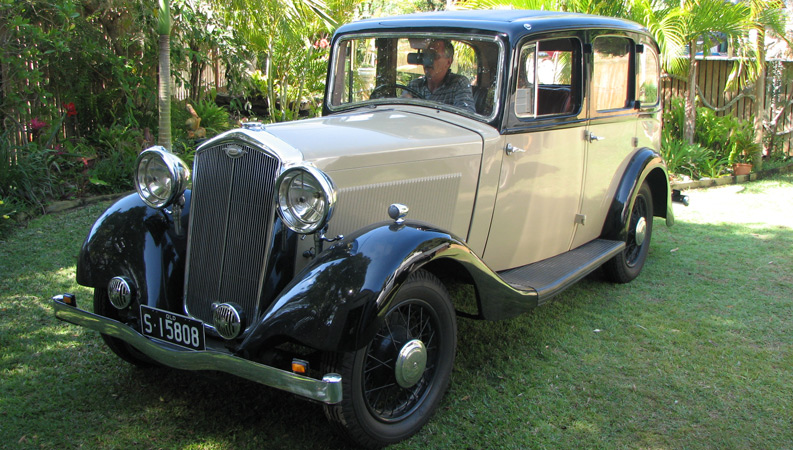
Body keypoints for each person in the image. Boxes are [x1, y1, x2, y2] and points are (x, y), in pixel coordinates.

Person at [405, 39, 475, 113]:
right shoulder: (414, 86)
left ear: (448, 62)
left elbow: (466, 114)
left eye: (434, 56)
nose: (427, 60)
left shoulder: (458, 84)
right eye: (425, 55)